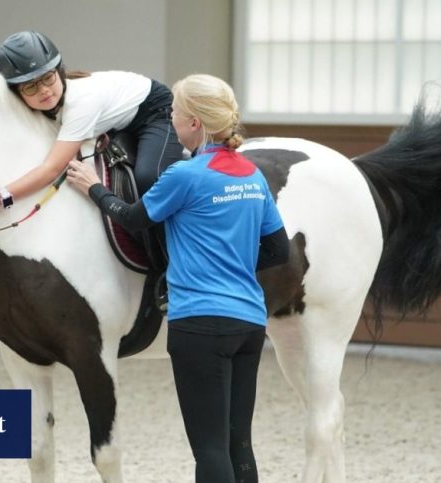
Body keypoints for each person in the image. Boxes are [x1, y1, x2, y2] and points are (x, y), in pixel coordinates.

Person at [66, 74, 289, 483]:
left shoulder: (185, 176)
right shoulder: (252, 177)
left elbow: (133, 219)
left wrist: (95, 188)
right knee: (239, 443)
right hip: (250, 324)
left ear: (194, 124)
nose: (169, 120)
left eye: (174, 114)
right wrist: (231, 263)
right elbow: (279, 251)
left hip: (200, 323)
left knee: (209, 449)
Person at [0, 30, 184, 223]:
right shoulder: (41, 104)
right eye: (31, 86)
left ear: (60, 72)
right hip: (120, 118)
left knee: (150, 177)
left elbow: (51, 169)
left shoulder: (80, 102)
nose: (44, 90)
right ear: (17, 93)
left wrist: (0, 198)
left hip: (154, 111)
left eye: (47, 78)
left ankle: (166, 259)